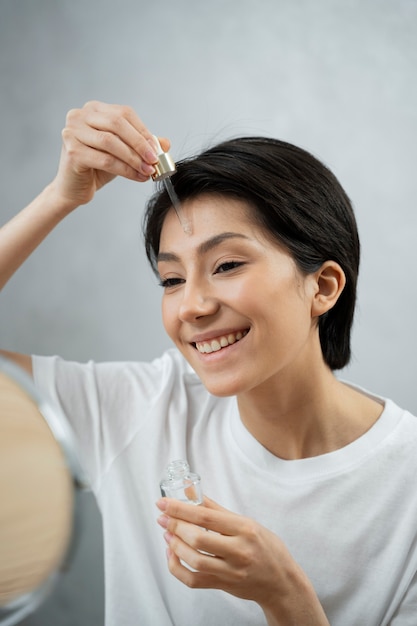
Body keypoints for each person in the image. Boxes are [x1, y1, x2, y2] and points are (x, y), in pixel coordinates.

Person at [1, 100, 416, 626]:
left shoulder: (408, 484)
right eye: (172, 280)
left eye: (227, 265)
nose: (192, 305)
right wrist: (59, 199)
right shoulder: (138, 409)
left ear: (324, 286)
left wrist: (286, 595)